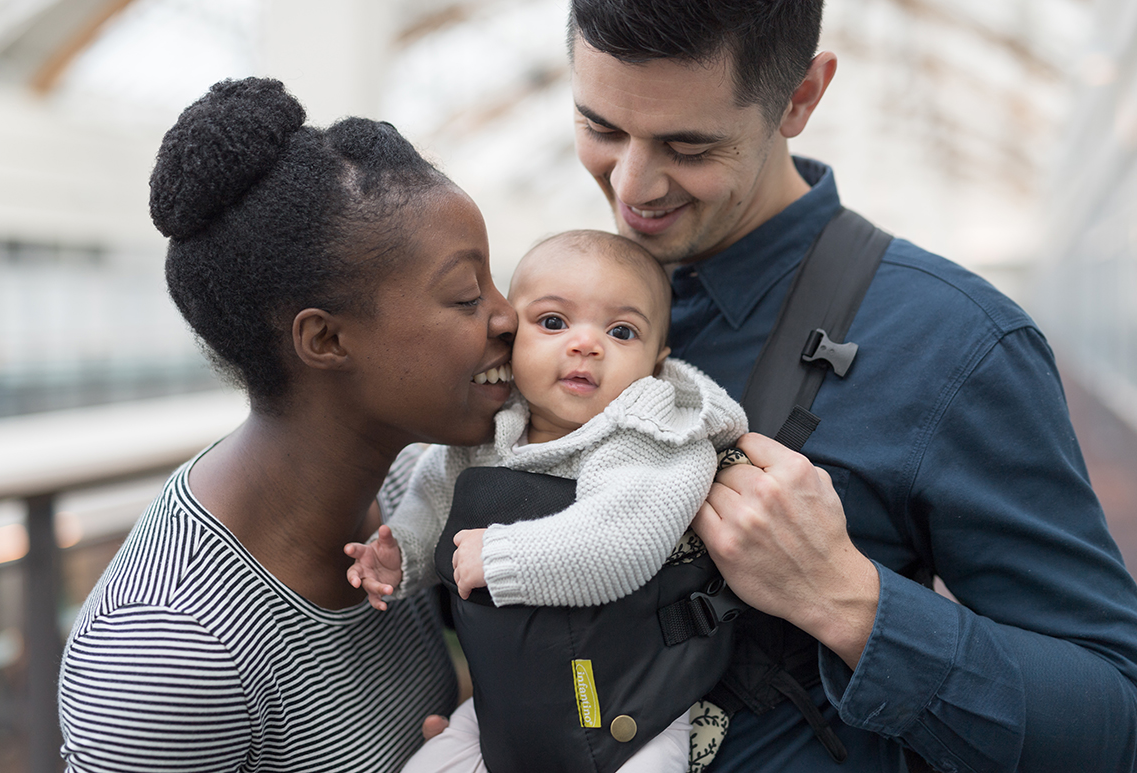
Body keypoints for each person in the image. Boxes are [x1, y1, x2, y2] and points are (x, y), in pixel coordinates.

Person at [565, 2, 1137, 771]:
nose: (631, 183)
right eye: (600, 128)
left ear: (801, 97)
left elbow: (1116, 713)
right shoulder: (551, 312)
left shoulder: (955, 341)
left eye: (688, 144)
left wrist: (847, 600)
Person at [57, 77, 518, 772]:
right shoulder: (169, 650)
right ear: (326, 341)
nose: (508, 316)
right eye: (465, 294)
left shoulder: (407, 493)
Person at [345, 230, 748, 773]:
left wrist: (505, 556)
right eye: (553, 323)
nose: (585, 344)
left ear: (656, 362)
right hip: (512, 698)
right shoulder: (491, 431)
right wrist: (405, 555)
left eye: (622, 331)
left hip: (632, 702)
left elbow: (623, 543)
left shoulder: (646, 437)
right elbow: (434, 496)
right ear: (512, 337)